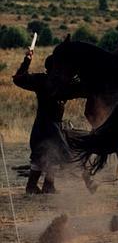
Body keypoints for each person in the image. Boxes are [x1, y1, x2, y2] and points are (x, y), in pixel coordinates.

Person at [12, 49, 85, 194]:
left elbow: (81, 89)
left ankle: (47, 186)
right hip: (45, 124)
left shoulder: (61, 83)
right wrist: (27, 60)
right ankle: (32, 186)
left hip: (52, 124)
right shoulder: (43, 80)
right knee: (44, 154)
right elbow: (19, 79)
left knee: (51, 154)